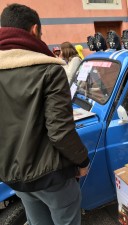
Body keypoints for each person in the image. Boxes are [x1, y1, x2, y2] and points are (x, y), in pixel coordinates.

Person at [0, 3, 89, 225]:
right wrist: (82, 160)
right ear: (34, 30)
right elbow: (60, 132)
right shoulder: (49, 69)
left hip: (13, 174)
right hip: (52, 176)